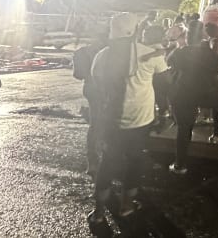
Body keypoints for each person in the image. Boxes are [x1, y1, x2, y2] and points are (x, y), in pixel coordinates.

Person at [87, 14, 169, 225]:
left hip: (111, 120)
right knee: (135, 161)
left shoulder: (102, 56)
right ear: (135, 31)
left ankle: (98, 213)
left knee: (107, 162)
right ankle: (126, 206)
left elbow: (97, 86)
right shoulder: (150, 55)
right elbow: (166, 84)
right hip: (140, 119)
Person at [165, 25, 218, 175]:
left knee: (184, 128)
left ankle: (180, 165)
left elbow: (168, 64)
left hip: (184, 93)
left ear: (187, 38)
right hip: (206, 93)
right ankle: (217, 134)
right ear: (202, 38)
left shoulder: (179, 52)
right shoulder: (209, 53)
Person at [72, 31, 108, 177]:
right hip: (105, 89)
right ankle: (102, 157)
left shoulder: (81, 52)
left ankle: (93, 160)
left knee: (95, 123)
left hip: (91, 89)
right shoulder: (108, 51)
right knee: (104, 122)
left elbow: (77, 75)